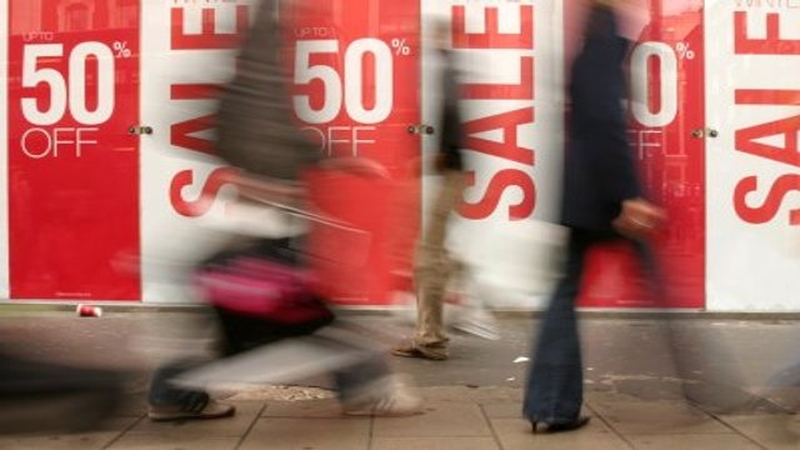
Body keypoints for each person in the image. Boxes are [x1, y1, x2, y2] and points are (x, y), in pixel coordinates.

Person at [522, 0, 666, 433]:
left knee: (564, 293)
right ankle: (705, 393)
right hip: (601, 195)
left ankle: (551, 405)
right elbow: (605, 121)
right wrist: (629, 195)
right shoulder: (603, 41)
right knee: (658, 289)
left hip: (582, 193)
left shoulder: (591, 40)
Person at [391, 20, 482, 361]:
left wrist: (438, 156)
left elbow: (450, 117)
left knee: (427, 256)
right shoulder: (449, 69)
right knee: (433, 252)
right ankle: (438, 320)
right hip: (451, 172)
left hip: (449, 173)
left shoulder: (446, 68)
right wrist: (417, 132)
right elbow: (436, 121)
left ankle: (430, 338)